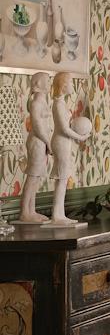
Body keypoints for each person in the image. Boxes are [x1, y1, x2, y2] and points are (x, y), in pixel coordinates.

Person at [48, 72, 91, 226]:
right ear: (64, 85)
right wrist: (80, 138)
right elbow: (64, 129)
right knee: (61, 178)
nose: (73, 85)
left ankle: (59, 214)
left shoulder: (61, 103)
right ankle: (57, 216)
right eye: (71, 82)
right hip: (60, 142)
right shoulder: (58, 104)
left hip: (64, 143)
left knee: (63, 179)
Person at [19, 73, 52, 224]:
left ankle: (31, 211)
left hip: (42, 141)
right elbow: (38, 127)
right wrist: (48, 142)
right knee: (32, 176)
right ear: (38, 84)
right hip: (37, 141)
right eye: (47, 81)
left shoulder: (42, 101)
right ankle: (25, 212)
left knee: (36, 177)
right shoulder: (36, 103)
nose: (50, 83)